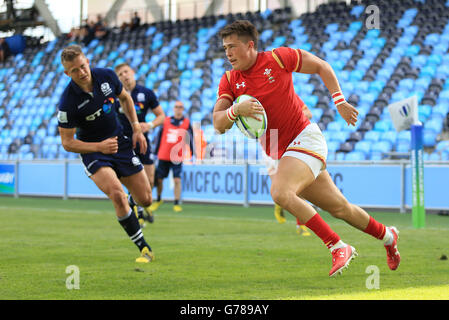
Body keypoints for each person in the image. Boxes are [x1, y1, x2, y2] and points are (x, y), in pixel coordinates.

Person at [213, 20, 400, 277]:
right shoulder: (230, 80)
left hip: (305, 138)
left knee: (280, 192)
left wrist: (339, 100)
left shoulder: (279, 58)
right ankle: (388, 236)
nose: (228, 53)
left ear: (250, 45)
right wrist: (235, 110)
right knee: (340, 208)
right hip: (285, 153)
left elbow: (321, 66)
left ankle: (337, 245)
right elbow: (218, 123)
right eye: (225, 49)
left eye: (232, 47)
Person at [57, 44, 155, 263]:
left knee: (146, 199)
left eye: (83, 66)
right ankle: (144, 247)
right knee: (117, 195)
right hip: (94, 152)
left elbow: (126, 98)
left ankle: (134, 204)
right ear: (67, 73)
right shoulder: (67, 103)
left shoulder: (107, 76)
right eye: (74, 70)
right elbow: (67, 142)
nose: (81, 73)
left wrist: (137, 129)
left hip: (120, 143)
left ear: (87, 61)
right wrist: (98, 147)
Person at [115, 62, 166, 226]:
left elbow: (161, 116)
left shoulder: (146, 93)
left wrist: (149, 125)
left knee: (149, 180)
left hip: (142, 140)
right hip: (124, 143)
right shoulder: (115, 96)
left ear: (133, 72)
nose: (124, 75)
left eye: (126, 72)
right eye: (120, 74)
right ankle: (136, 213)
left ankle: (141, 207)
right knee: (132, 178)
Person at [272, 104, 311, 237]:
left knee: (298, 189)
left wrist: (294, 119)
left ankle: (301, 225)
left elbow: (309, 113)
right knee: (284, 189)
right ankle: (280, 204)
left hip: (294, 145)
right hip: (273, 143)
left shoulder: (289, 97)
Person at [150, 101, 195, 213]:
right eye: (176, 107)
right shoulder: (166, 121)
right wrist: (155, 152)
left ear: (183, 109)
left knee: (177, 180)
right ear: (173, 109)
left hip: (177, 157)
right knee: (159, 179)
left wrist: (193, 154)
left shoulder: (186, 122)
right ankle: (159, 199)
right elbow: (160, 137)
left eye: (180, 107)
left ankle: (176, 203)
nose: (178, 109)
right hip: (163, 155)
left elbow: (190, 139)